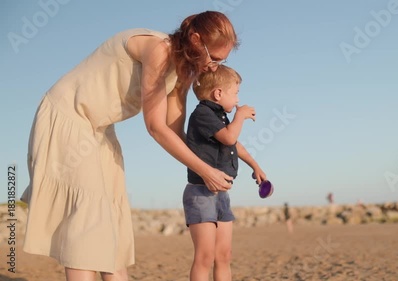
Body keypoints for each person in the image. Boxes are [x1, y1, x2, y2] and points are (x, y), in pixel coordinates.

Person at [20, 11, 239, 281]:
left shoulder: (183, 73)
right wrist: (205, 172)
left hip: (99, 128)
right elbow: (155, 127)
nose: (215, 67)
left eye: (223, 61)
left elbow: (174, 131)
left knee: (112, 220)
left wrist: (210, 166)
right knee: (86, 222)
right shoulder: (158, 49)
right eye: (214, 58)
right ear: (195, 40)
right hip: (68, 115)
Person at [183, 65, 266, 281]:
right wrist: (240, 116)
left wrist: (255, 166)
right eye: (235, 93)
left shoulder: (221, 118)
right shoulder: (202, 114)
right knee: (205, 256)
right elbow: (230, 138)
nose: (238, 100)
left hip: (221, 194)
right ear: (218, 93)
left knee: (224, 255)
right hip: (201, 194)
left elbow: (234, 144)